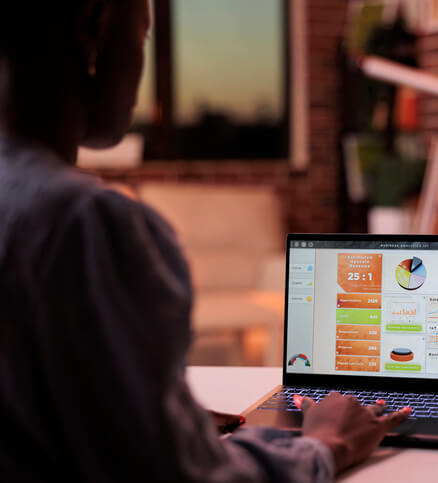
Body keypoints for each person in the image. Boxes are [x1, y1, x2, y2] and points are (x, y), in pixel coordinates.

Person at [0, 1, 408, 481]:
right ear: (93, 24)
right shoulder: (81, 226)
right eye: (145, 37)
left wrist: (163, 419)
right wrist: (326, 445)